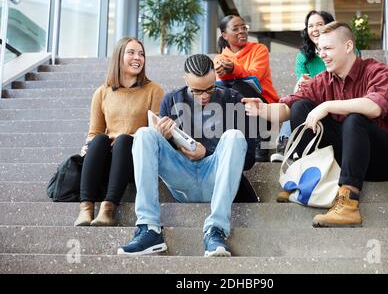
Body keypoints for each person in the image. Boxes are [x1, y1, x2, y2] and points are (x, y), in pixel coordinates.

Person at [243, 22, 388, 228]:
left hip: (384, 160)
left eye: (328, 48)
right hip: (348, 157)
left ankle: (348, 203)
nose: (321, 54)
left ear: (348, 47)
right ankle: (305, 178)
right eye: (319, 49)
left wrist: (326, 106)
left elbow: (375, 107)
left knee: (355, 118)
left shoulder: (377, 71)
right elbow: (286, 109)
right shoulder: (323, 80)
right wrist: (264, 110)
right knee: (301, 106)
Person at [118, 54, 256, 256]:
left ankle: (215, 229)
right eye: (197, 90)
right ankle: (149, 229)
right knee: (144, 134)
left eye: (210, 88)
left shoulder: (234, 98)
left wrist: (206, 152)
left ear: (215, 78)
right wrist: (165, 139)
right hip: (182, 178)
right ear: (185, 80)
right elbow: (162, 152)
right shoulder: (171, 100)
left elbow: (250, 158)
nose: (204, 96)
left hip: (215, 177)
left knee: (234, 136)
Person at [74, 37, 164, 227]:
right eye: (131, 53)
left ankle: (108, 209)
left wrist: (131, 137)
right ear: (118, 57)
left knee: (123, 140)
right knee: (98, 140)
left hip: (134, 158)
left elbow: (156, 133)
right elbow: (94, 132)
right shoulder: (102, 92)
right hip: (108, 159)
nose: (137, 58)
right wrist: (87, 145)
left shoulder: (154, 90)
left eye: (141, 54)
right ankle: (86, 208)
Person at [271, 10, 335, 166]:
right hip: (312, 98)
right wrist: (303, 83)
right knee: (298, 93)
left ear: (330, 26)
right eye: (310, 26)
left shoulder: (343, 48)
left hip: (335, 97)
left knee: (299, 97)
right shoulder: (303, 56)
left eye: (320, 24)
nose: (315, 29)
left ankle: (286, 141)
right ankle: (286, 141)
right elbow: (304, 83)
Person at [214, 15, 279, 162]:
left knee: (240, 85)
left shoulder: (259, 49)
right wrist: (222, 72)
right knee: (222, 90)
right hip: (237, 112)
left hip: (264, 107)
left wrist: (233, 69)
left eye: (244, 27)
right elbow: (222, 83)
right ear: (224, 35)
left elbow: (255, 75)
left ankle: (260, 141)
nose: (241, 31)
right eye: (235, 29)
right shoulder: (219, 59)